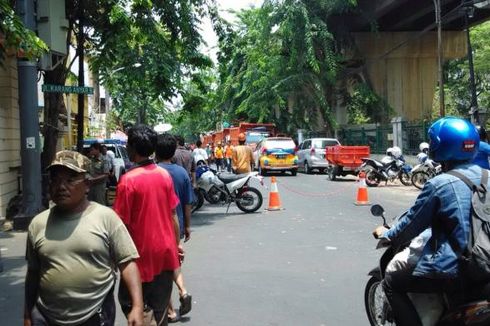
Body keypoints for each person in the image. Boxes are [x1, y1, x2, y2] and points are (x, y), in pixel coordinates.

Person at [373, 117, 485, 326]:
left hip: (460, 268)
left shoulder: (439, 183)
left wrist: (387, 234)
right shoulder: (487, 175)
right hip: (485, 264)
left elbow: (409, 227)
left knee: (391, 281)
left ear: (439, 146)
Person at [24, 150, 143, 326]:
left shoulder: (106, 218)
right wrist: (27, 315)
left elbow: (128, 263)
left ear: (87, 184)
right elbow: (33, 273)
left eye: (70, 180)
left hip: (95, 315)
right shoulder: (38, 224)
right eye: (55, 180)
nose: (61, 186)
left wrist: (137, 307)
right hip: (46, 316)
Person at [113, 125, 182, 326]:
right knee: (160, 307)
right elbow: (173, 216)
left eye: (127, 144)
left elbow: (120, 225)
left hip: (138, 255)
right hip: (164, 251)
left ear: (133, 147)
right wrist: (176, 244)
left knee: (130, 302)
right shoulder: (163, 175)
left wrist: (113, 258)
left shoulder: (127, 181)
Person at [155, 134, 194, 323]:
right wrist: (187, 226)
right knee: (173, 262)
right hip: (176, 223)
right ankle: (183, 290)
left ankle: (170, 311)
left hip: (157, 225)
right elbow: (187, 203)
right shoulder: (181, 173)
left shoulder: (153, 172)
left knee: (160, 270)